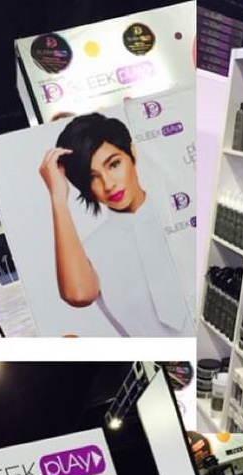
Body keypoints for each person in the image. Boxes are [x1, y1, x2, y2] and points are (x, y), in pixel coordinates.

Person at [39, 113, 193, 337]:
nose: (108, 184)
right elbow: (78, 294)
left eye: (114, 164)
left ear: (132, 152)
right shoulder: (90, 251)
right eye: (92, 177)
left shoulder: (182, 213)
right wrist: (58, 197)